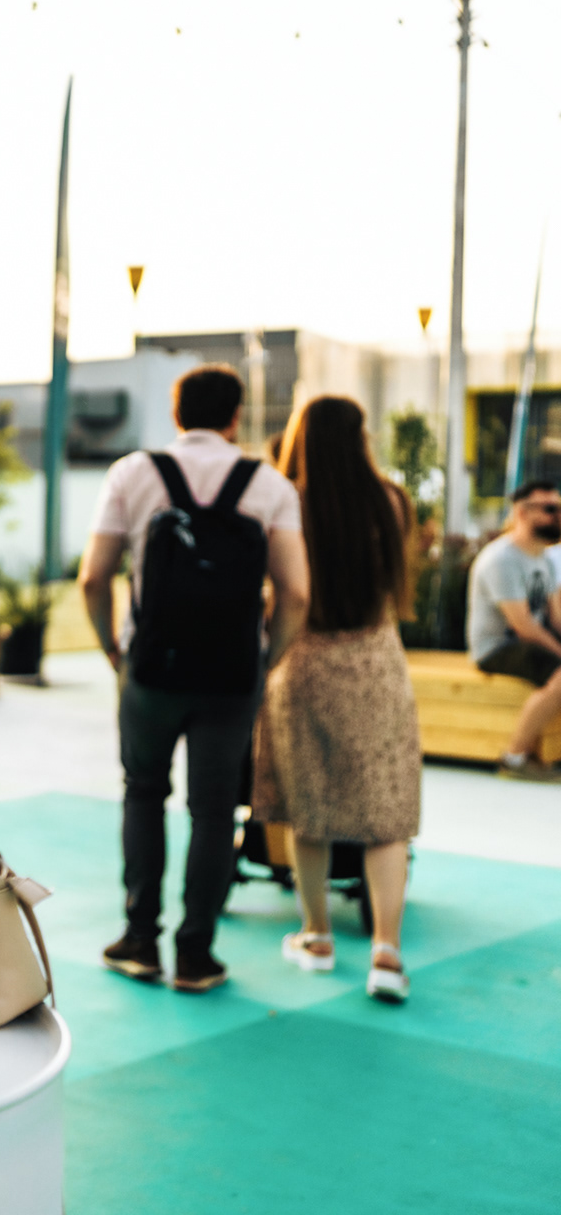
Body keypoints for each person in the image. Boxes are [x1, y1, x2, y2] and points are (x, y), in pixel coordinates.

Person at [80, 364, 310, 993]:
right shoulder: (270, 485)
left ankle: (139, 940)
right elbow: (295, 592)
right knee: (213, 809)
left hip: (151, 667)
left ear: (176, 413)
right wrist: (267, 660)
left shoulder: (132, 473)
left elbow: (94, 577)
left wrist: (114, 651)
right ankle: (196, 954)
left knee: (143, 792)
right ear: (236, 417)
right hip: (232, 674)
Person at [254, 396, 419, 1002]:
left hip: (305, 662)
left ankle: (317, 936)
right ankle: (387, 954)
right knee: (386, 814)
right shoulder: (391, 501)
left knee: (310, 807)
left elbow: (282, 591)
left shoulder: (284, 502)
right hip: (376, 659)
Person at [466, 479, 561, 781]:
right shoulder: (501, 559)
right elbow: (524, 627)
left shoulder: (545, 558)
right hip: (496, 648)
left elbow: (556, 618)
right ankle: (515, 757)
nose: (557, 516)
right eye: (550, 509)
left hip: (530, 642)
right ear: (521, 512)